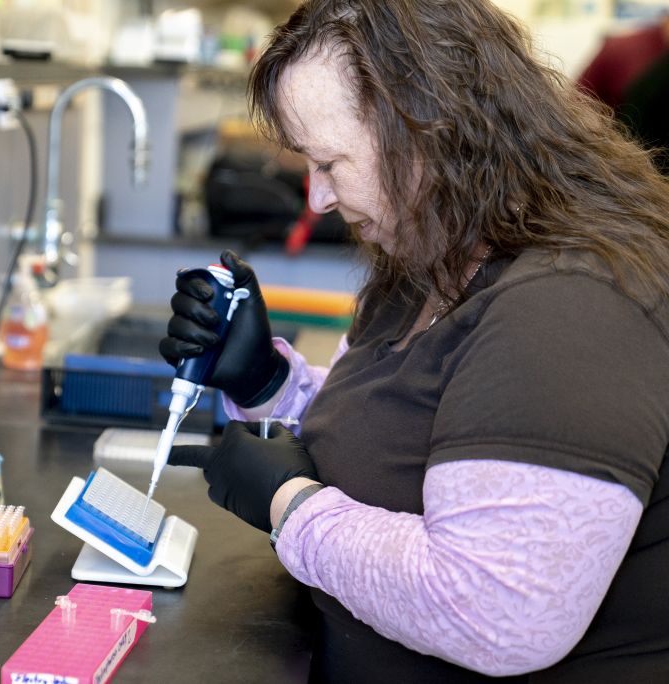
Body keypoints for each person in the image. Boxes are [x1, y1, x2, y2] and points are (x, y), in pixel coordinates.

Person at [159, 1, 669, 681]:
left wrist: (291, 509)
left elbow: (496, 613)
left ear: (429, 134)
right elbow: (399, 447)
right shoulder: (432, 254)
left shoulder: (574, 308)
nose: (316, 200)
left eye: (331, 164)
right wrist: (267, 385)